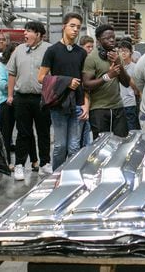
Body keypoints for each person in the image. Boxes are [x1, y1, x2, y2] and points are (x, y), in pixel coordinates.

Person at [38, 13, 88, 171]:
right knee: (60, 146)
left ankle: (71, 179)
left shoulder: (81, 53)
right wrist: (66, 82)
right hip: (58, 103)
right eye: (72, 26)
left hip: (78, 104)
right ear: (64, 27)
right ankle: (57, 177)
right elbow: (41, 77)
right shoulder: (52, 51)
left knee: (74, 146)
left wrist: (86, 105)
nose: (75, 30)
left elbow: (85, 82)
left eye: (78, 28)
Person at [6, 21, 53, 179]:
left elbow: (54, 75)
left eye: (29, 31)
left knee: (43, 132)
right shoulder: (19, 50)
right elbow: (12, 73)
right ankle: (19, 165)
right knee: (23, 133)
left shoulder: (49, 49)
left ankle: (45, 163)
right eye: (25, 31)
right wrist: (10, 95)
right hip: (22, 98)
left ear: (39, 34)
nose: (25, 34)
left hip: (42, 99)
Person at [82, 24, 131, 139]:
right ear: (98, 40)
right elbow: (86, 84)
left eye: (113, 37)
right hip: (99, 109)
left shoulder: (116, 56)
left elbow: (126, 83)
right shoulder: (91, 58)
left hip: (118, 107)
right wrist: (108, 76)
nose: (112, 40)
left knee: (121, 142)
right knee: (100, 145)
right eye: (107, 38)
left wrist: (119, 63)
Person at [0, 42, 37, 173]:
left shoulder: (23, 64)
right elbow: (2, 84)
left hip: (22, 100)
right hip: (6, 102)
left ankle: (34, 160)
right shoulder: (2, 65)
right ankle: (7, 162)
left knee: (27, 131)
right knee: (6, 133)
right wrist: (16, 86)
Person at [117, 40, 141, 131]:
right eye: (120, 51)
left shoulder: (135, 67)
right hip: (117, 104)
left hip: (130, 103)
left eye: (126, 51)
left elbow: (138, 87)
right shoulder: (114, 67)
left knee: (132, 130)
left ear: (131, 52)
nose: (123, 53)